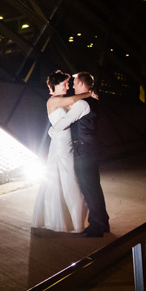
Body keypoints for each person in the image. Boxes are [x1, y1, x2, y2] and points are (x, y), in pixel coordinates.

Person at [31, 70, 94, 233]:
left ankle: (70, 220)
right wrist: (88, 93)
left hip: (63, 143)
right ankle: (75, 222)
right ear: (55, 85)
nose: (67, 86)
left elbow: (74, 111)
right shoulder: (53, 100)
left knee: (60, 181)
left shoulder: (63, 101)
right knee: (69, 181)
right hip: (61, 146)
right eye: (64, 84)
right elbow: (74, 100)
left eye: (68, 83)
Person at [50, 71, 110, 237]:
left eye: (75, 83)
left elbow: (65, 122)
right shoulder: (93, 101)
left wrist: (51, 130)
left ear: (82, 84)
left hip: (84, 150)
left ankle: (96, 227)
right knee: (95, 187)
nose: (73, 86)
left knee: (89, 188)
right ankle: (103, 221)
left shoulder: (81, 104)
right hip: (92, 148)